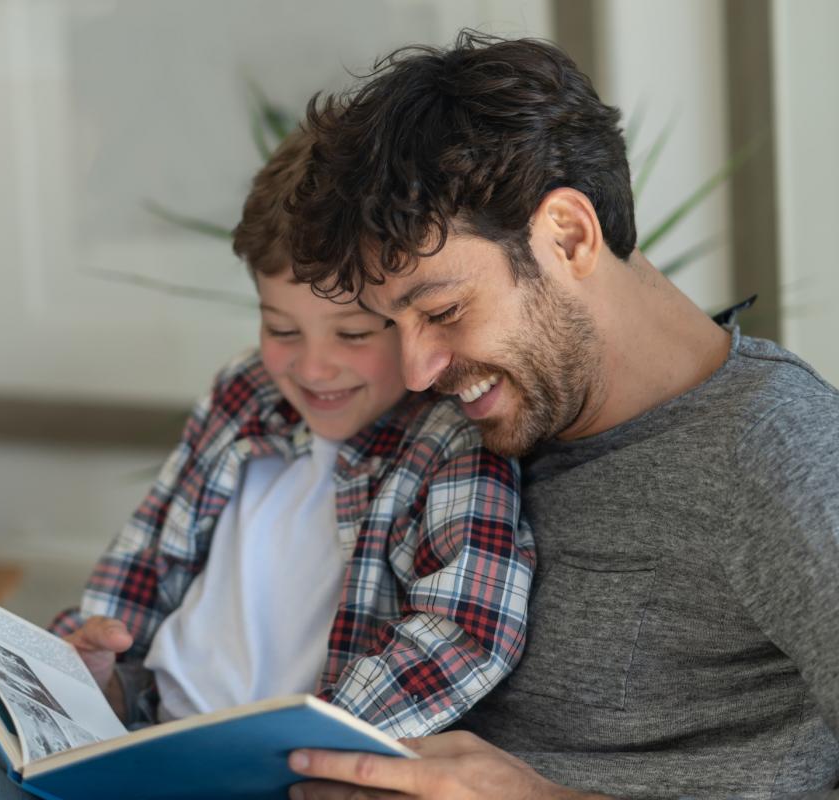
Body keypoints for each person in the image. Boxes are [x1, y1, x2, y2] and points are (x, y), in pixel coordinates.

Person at [278, 31, 839, 800]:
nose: (417, 370)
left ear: (568, 235)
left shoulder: (781, 455)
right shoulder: (458, 436)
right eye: (388, 324)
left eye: (442, 310)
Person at [0, 128, 535, 798]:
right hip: (146, 736)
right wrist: (92, 672)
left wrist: (317, 744)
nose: (312, 367)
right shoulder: (245, 392)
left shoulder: (448, 436)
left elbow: (468, 632)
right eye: (281, 330)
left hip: (283, 773)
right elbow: (142, 569)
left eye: (352, 335)